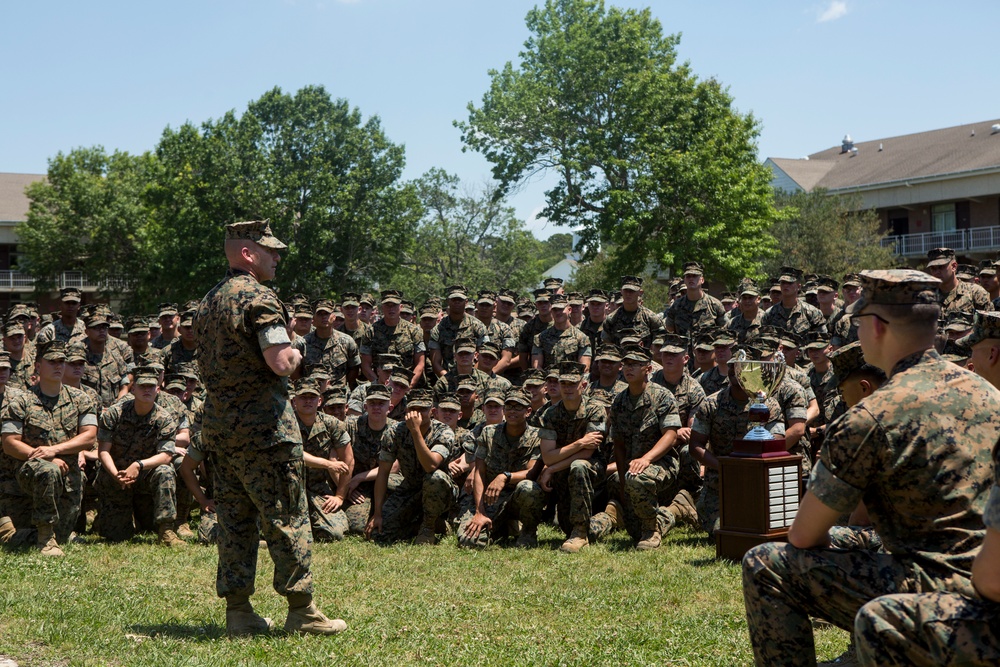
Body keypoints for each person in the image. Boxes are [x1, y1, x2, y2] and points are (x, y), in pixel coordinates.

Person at [741, 269, 1000, 667]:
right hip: (990, 583)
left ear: (876, 327)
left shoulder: (871, 415)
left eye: (858, 323)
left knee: (766, 564)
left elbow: (804, 534)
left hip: (928, 591)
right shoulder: (990, 394)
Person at [194, 219, 344, 636]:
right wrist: (296, 350)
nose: (277, 258)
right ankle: (302, 611)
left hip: (222, 432)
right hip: (265, 433)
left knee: (235, 522)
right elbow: (280, 361)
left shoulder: (207, 302)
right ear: (248, 254)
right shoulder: (259, 298)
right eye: (270, 251)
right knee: (286, 516)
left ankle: (239, 612)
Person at [0, 340, 98, 556]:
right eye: (52, 361)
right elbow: (9, 442)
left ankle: (15, 534)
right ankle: (45, 540)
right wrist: (42, 458)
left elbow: (89, 437)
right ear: (37, 366)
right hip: (30, 476)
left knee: (61, 534)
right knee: (48, 470)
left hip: (70, 480)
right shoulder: (21, 401)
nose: (58, 366)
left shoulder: (82, 399)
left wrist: (54, 450)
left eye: (61, 361)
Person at [94, 366, 184, 546]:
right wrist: (115, 474)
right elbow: (103, 451)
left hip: (145, 474)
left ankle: (166, 530)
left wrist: (138, 465)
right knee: (117, 536)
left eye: (151, 387)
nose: (147, 390)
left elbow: (166, 455)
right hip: (117, 475)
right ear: (133, 389)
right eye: (142, 386)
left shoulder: (164, 418)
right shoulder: (114, 413)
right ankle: (110, 517)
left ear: (158, 389)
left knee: (165, 471)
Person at [365, 389, 457, 545]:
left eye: (423, 409)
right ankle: (425, 526)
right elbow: (383, 473)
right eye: (414, 409)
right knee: (379, 534)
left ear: (433, 411)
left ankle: (429, 526)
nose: (418, 414)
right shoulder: (395, 432)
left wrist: (416, 432)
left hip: (440, 490)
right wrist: (378, 514)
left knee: (435, 478)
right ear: (407, 410)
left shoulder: (443, 431)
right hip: (410, 486)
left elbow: (431, 466)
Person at [458, 387, 545, 548]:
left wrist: (505, 476)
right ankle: (502, 526)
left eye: (518, 407)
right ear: (504, 410)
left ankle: (528, 532)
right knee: (469, 541)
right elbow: (479, 473)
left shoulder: (536, 436)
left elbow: (533, 472)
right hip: (490, 499)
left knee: (529, 488)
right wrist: (479, 512)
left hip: (517, 498)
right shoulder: (488, 433)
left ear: (528, 411)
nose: (512, 411)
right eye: (509, 406)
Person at [535, 361, 608, 553]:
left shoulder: (595, 409)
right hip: (561, 469)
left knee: (579, 466)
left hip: (591, 468)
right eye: (564, 384)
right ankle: (610, 517)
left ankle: (580, 534)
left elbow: (588, 453)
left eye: (572, 384)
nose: (568, 388)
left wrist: (552, 468)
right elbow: (548, 457)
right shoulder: (550, 414)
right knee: (564, 526)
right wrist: (579, 443)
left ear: (582, 385)